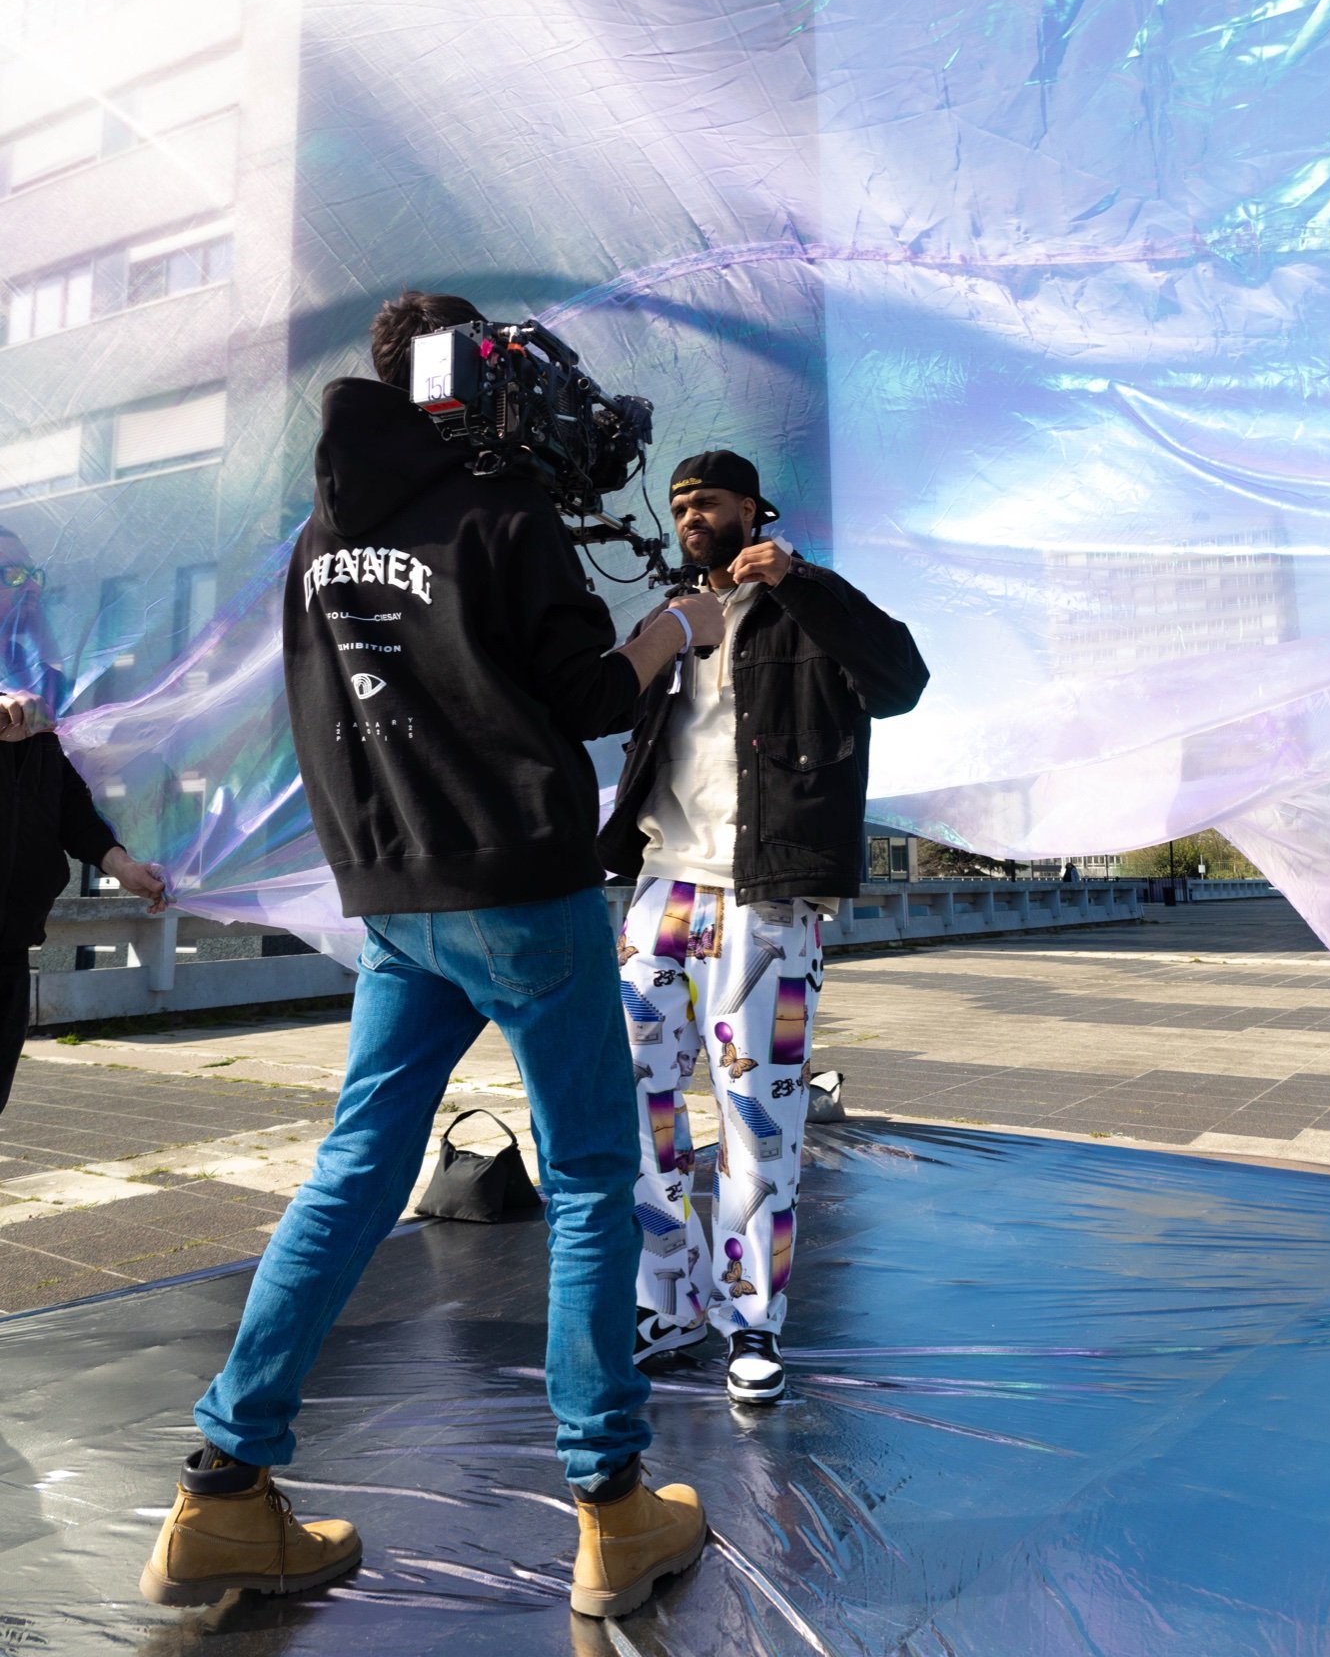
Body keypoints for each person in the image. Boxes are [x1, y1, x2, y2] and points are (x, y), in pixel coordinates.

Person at [141, 293, 722, 1621]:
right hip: (520, 888)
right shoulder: (502, 513)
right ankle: (613, 1504)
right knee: (589, 1176)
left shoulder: (320, 536)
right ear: (476, 381)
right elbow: (590, 696)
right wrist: (676, 628)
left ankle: (223, 1489)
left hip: (396, 899)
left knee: (356, 1168)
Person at [598, 451, 929, 1404]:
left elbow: (900, 679)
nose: (689, 518)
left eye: (706, 502)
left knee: (759, 1121)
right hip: (661, 890)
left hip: (768, 898)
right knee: (635, 1109)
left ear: (752, 509)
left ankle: (752, 1323)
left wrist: (799, 580)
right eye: (678, 506)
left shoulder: (806, 609)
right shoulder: (674, 616)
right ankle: (665, 1304)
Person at [0, 533, 167, 1114]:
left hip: (10, 941)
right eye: (11, 576)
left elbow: (67, 800)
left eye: (35, 576)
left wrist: (120, 864)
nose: (29, 588)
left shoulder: (39, 685)